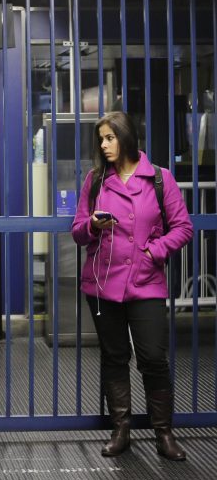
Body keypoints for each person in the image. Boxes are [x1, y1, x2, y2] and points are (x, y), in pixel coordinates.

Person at [71, 111, 193, 461]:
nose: (104, 145)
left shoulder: (159, 178)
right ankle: (121, 430)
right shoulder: (95, 181)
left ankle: (164, 433)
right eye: (101, 140)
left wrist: (154, 251)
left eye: (110, 138)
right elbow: (77, 230)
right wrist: (93, 225)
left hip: (146, 283)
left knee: (153, 358)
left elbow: (182, 228)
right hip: (102, 284)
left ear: (126, 137)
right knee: (114, 357)